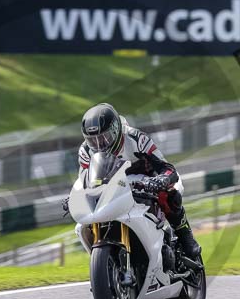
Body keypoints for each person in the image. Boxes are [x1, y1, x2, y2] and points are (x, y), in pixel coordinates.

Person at [64, 102, 201, 259]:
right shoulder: (86, 151)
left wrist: (161, 180)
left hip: (147, 181)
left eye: (104, 138)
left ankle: (185, 236)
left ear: (115, 130)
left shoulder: (136, 139)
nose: (99, 144)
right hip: (113, 188)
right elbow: (85, 181)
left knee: (169, 194)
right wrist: (75, 197)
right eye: (92, 140)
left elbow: (167, 168)